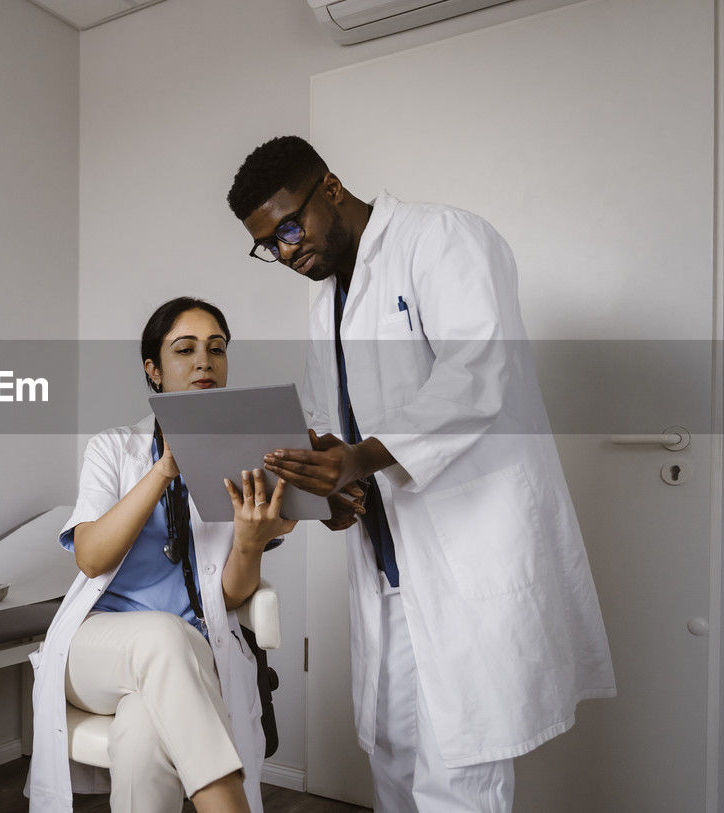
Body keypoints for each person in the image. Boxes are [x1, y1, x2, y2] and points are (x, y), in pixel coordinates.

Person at [226, 137, 616, 811]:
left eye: (290, 227)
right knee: (396, 754)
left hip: (466, 547)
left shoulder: (443, 238)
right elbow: (341, 425)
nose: (288, 251)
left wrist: (361, 457)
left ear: (332, 189)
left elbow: (474, 373)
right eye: (270, 244)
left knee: (460, 767)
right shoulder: (327, 299)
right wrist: (331, 480)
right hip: (388, 557)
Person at [28, 297, 345, 813]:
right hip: (95, 652)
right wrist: (163, 470)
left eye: (216, 349)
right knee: (161, 633)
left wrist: (250, 540)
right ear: (153, 369)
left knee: (143, 736)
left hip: (192, 655)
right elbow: (89, 558)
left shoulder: (244, 460)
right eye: (185, 349)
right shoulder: (114, 449)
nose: (205, 361)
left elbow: (231, 595)